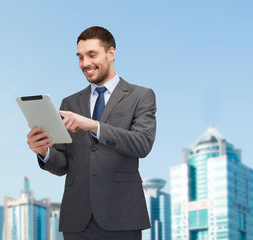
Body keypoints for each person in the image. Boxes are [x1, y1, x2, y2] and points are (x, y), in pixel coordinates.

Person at [27, 26, 157, 240]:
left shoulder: (140, 96)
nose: (85, 63)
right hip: (77, 219)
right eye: (80, 57)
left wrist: (92, 125)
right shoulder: (69, 102)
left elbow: (142, 144)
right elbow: (63, 165)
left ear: (111, 54)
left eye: (92, 55)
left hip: (122, 216)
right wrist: (44, 152)